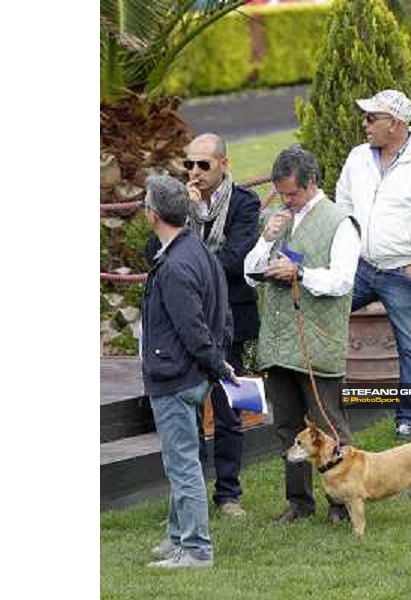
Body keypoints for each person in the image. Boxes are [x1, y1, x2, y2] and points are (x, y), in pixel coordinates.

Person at [244, 145, 361, 525]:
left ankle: (342, 503)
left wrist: (301, 275)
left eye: (293, 193)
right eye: (282, 195)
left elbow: (342, 280)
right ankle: (299, 501)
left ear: (311, 183)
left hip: (318, 341)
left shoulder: (340, 222)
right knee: (287, 428)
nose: (287, 201)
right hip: (278, 344)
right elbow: (249, 274)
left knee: (328, 423)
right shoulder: (279, 221)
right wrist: (265, 240)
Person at [336, 89, 411, 442]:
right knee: (321, 314)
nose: (364, 124)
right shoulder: (358, 157)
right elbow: (343, 203)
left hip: (405, 271)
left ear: (396, 124)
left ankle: (408, 420)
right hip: (360, 267)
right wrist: (346, 253)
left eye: (371, 118)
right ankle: (322, 404)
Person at [146, 133, 260, 518]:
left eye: (203, 165)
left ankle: (229, 493)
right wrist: (189, 216)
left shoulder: (245, 203)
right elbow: (157, 253)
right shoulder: (177, 204)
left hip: (231, 324)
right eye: (189, 165)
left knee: (231, 410)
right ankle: (191, 492)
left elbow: (233, 260)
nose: (194, 173)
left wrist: (188, 232)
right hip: (187, 330)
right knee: (188, 412)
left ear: (224, 165)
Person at [142, 175, 237, 569]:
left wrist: (218, 366)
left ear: (152, 214)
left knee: (181, 463)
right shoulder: (197, 250)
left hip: (178, 377)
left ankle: (195, 548)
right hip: (193, 375)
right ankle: (176, 536)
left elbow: (193, 329)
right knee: (183, 459)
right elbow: (223, 315)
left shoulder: (176, 265)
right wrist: (218, 365)